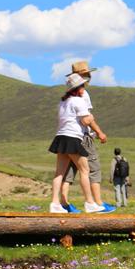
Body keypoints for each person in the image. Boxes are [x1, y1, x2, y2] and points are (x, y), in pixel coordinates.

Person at [59, 61, 115, 213]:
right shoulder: (83, 94)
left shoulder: (66, 98)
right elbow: (87, 118)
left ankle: (64, 202)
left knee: (68, 171)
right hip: (82, 135)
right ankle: (96, 202)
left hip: (66, 135)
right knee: (92, 169)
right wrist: (99, 132)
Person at [48, 74, 107, 213]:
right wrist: (91, 116)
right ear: (78, 88)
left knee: (59, 173)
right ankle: (89, 202)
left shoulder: (63, 102)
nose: (84, 87)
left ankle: (55, 203)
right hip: (73, 137)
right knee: (85, 170)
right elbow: (86, 121)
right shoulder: (78, 101)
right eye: (82, 85)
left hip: (60, 137)